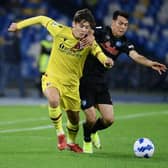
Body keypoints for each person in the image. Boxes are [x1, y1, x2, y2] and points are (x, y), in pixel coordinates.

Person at [8, 8, 114, 153]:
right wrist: (18, 26)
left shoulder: (89, 42)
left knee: (74, 120)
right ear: (74, 24)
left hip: (72, 85)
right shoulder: (60, 31)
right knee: (53, 99)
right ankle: (60, 134)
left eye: (87, 28)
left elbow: (99, 53)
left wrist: (106, 61)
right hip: (52, 78)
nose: (84, 30)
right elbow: (41, 18)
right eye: (81, 26)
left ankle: (71, 142)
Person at [80, 10, 167, 153]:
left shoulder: (124, 42)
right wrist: (89, 35)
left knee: (109, 119)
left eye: (126, 25)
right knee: (91, 117)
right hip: (84, 80)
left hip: (100, 82)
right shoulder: (102, 31)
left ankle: (94, 131)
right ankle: (87, 139)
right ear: (113, 22)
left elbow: (135, 56)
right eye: (120, 23)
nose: (122, 27)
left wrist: (150, 63)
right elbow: (87, 31)